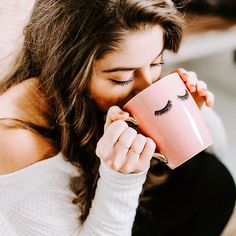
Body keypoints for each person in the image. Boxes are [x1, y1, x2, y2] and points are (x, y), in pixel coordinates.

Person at [0, 0, 235, 235]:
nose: (148, 86)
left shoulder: (98, 94)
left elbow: (215, 156)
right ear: (67, 70)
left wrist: (193, 112)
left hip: (138, 204)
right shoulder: (15, 142)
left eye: (156, 62)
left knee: (207, 175)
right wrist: (121, 180)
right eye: (122, 79)